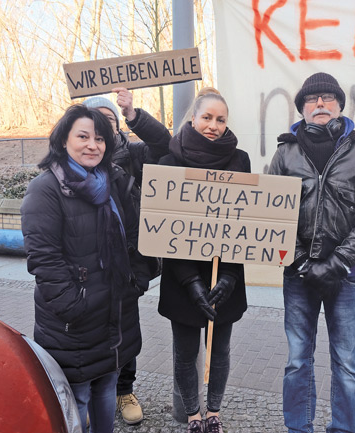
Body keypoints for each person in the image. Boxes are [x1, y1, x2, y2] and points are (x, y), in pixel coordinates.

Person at [268, 72, 355, 433]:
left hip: (347, 275)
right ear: (302, 108)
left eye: (327, 98)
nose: (319, 104)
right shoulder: (285, 151)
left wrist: (337, 263)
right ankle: (298, 428)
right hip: (298, 275)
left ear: (339, 105)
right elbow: (272, 213)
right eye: (312, 99)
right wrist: (303, 260)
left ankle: (342, 429)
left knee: (346, 364)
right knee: (296, 362)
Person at [21, 104, 147, 433]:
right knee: (77, 397)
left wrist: (136, 280)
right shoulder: (44, 190)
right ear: (64, 140)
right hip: (73, 323)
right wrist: (74, 306)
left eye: (100, 138)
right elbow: (44, 260)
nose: (93, 144)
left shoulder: (115, 182)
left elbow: (135, 237)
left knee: (106, 387)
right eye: (83, 136)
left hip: (116, 312)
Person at [157, 89, 250, 433]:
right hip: (182, 278)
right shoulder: (168, 164)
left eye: (220, 119)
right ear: (193, 119)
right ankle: (193, 416)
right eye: (207, 117)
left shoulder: (240, 161)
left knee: (219, 350)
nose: (213, 125)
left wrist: (227, 276)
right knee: (185, 352)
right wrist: (190, 282)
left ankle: (214, 412)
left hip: (225, 274)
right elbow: (165, 233)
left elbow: (244, 227)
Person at [83, 87, 171, 425]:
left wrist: (134, 114)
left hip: (127, 270)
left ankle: (123, 391)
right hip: (89, 270)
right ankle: (92, 396)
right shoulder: (76, 162)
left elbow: (164, 145)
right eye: (97, 120)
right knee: (88, 335)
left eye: (111, 119)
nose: (105, 126)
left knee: (125, 335)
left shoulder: (134, 154)